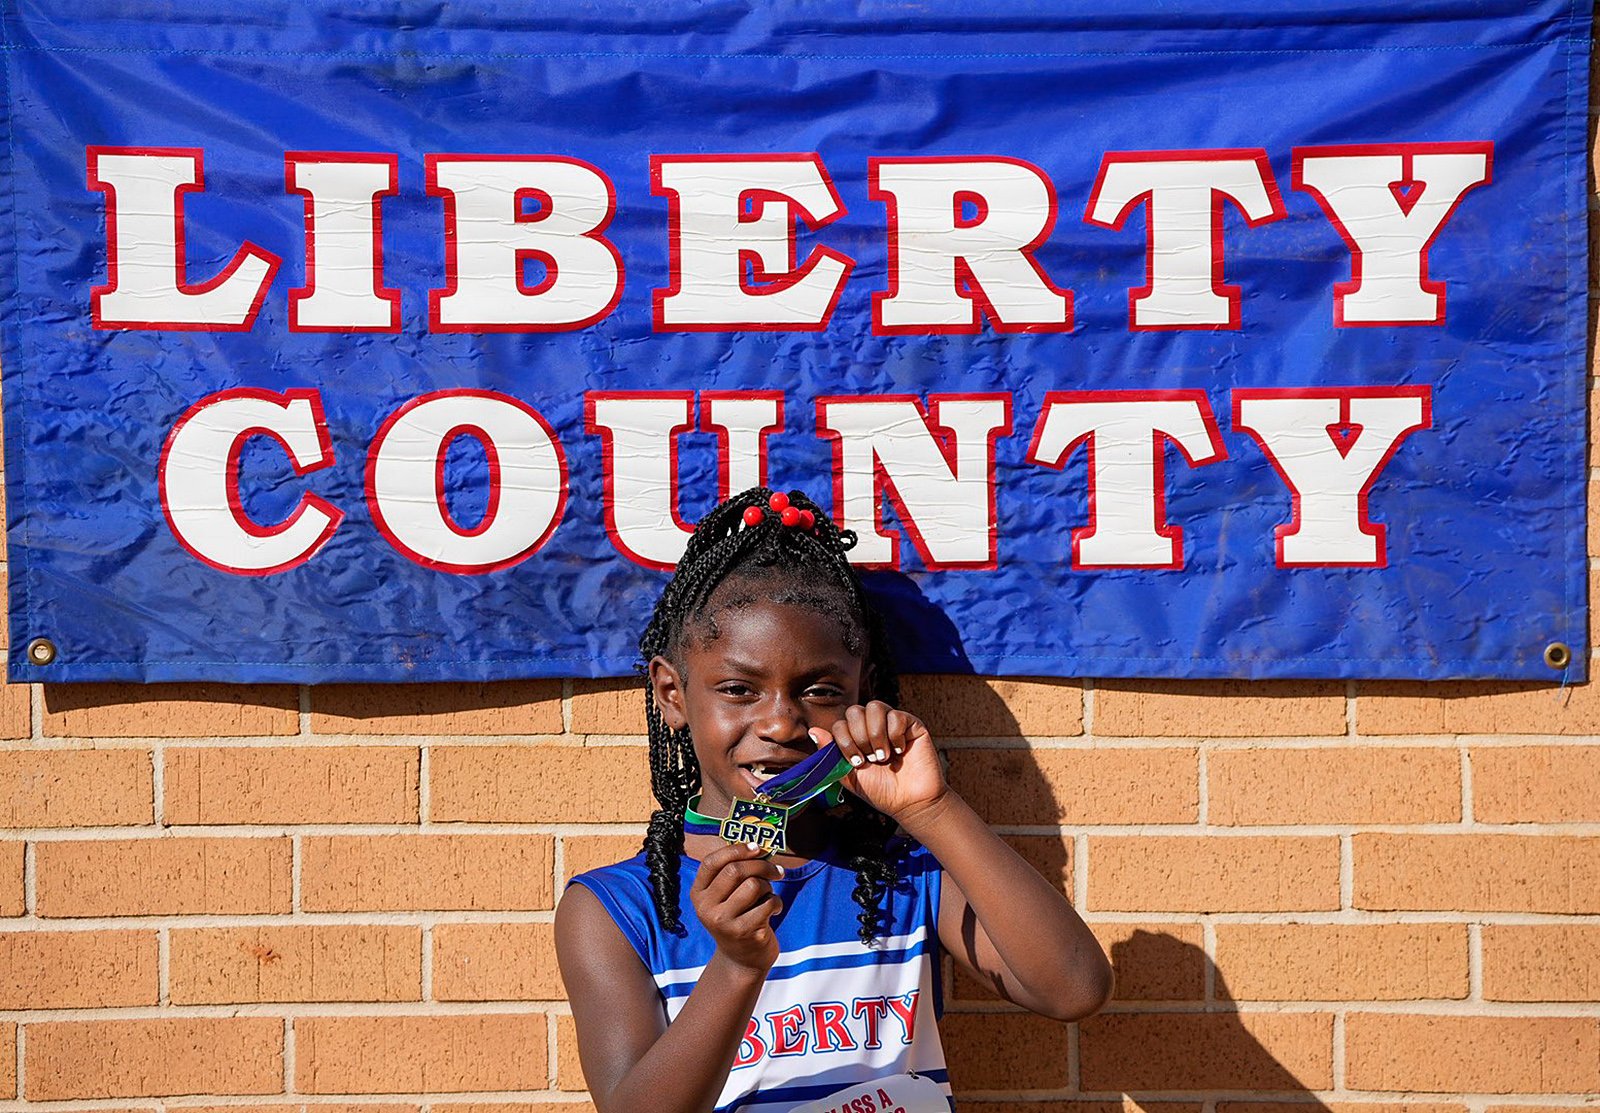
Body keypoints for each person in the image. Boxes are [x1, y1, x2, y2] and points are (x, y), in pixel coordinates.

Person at [555, 487, 1113, 1113]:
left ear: (862, 695)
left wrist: (930, 810)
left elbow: (1074, 990)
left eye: (819, 691)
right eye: (739, 689)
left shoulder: (902, 872)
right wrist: (738, 966)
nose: (782, 723)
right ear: (672, 695)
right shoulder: (616, 909)